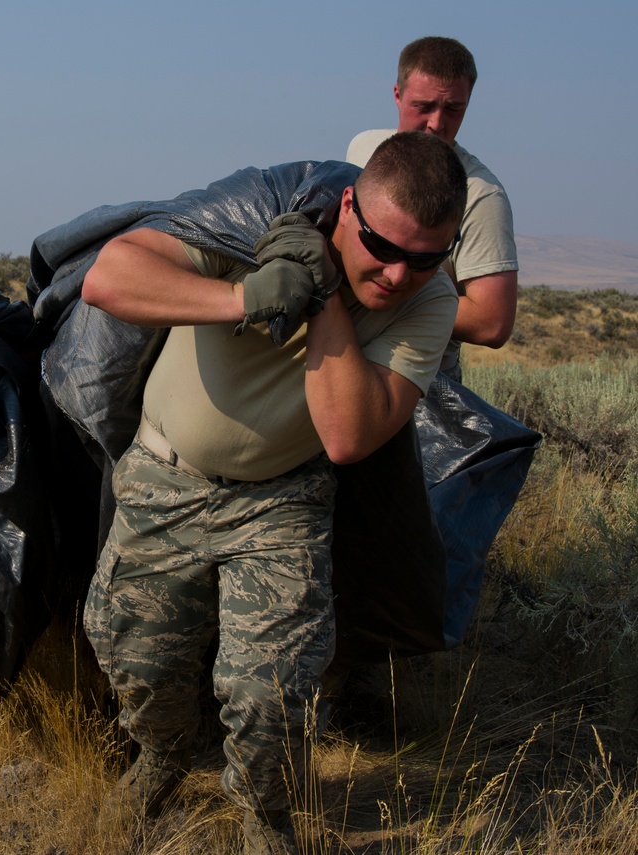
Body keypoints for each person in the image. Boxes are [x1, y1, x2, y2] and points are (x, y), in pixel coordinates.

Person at [80, 132, 467, 855]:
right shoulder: (255, 218)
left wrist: (322, 292)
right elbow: (111, 278)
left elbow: (350, 434)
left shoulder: (428, 302)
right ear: (347, 206)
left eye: (425, 257)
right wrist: (245, 293)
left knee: (270, 690)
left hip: (280, 504)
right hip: (164, 481)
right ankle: (162, 752)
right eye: (382, 246)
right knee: (139, 660)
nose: (395, 274)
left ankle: (265, 811)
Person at [346, 35, 518, 381]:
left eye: (454, 109)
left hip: (420, 378)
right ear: (397, 95)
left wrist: (384, 295)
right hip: (345, 353)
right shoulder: (363, 148)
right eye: (423, 106)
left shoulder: (481, 195)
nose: (437, 123)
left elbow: (492, 322)